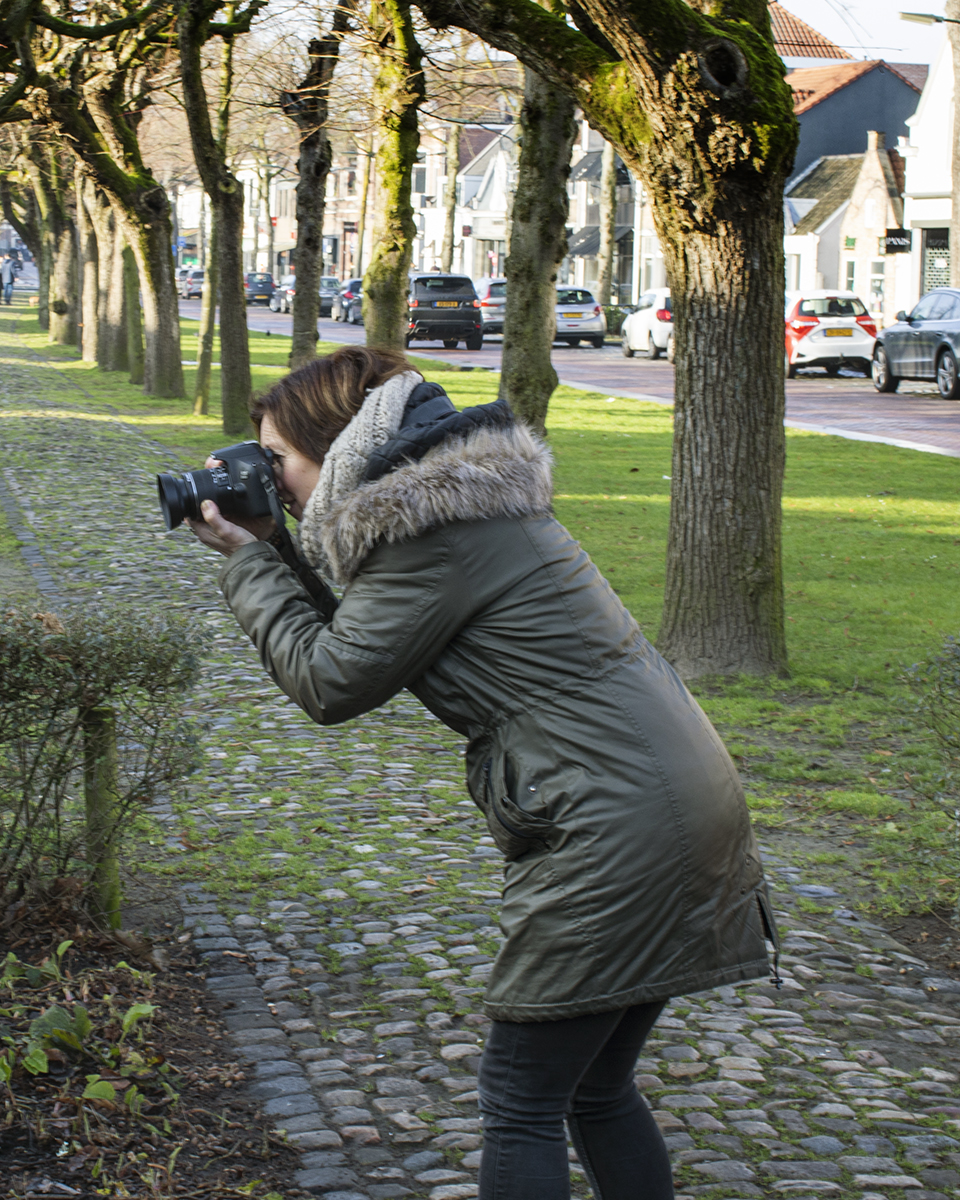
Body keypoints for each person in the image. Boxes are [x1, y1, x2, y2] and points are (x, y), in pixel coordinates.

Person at [186, 345, 771, 1200]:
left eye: (278, 461)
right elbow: (363, 638)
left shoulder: (437, 538)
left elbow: (331, 682)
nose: (268, 480)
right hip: (669, 799)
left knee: (522, 1100)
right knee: (595, 1087)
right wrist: (273, 548)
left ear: (342, 448)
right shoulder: (456, 516)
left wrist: (246, 560)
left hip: (613, 824)